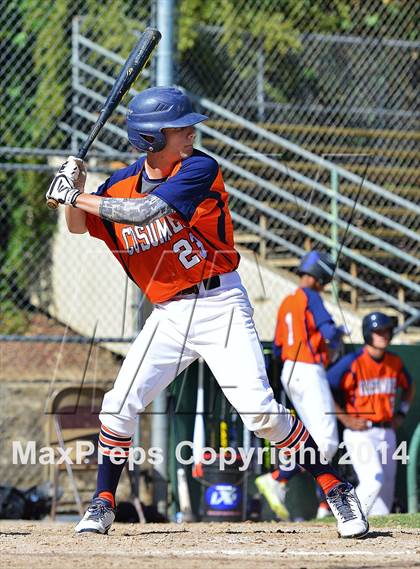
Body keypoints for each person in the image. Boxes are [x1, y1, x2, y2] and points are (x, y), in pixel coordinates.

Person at [45, 86, 368, 538]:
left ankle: (335, 486)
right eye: (181, 129)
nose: (192, 134)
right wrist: (71, 191)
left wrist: (74, 196)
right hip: (169, 314)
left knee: (259, 412)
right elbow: (79, 226)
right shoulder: (116, 184)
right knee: (118, 405)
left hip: (220, 304)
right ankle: (102, 503)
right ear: (150, 139)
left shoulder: (199, 168)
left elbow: (142, 212)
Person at [256, 251, 345, 520]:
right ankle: (278, 478)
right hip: (308, 368)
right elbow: (329, 332)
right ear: (320, 277)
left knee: (313, 438)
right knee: (327, 442)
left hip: (290, 371)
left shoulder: (287, 301)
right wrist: (340, 334)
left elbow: (280, 347)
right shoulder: (312, 296)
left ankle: (323, 506)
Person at [327, 312, 415, 515]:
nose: (384, 335)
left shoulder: (394, 361)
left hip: (387, 433)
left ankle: (374, 541)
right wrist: (343, 417)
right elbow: (324, 386)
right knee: (374, 480)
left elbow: (409, 387)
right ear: (368, 333)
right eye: (378, 331)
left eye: (387, 331)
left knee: (384, 499)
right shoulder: (353, 361)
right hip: (361, 433)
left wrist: (401, 413)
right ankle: (347, 515)